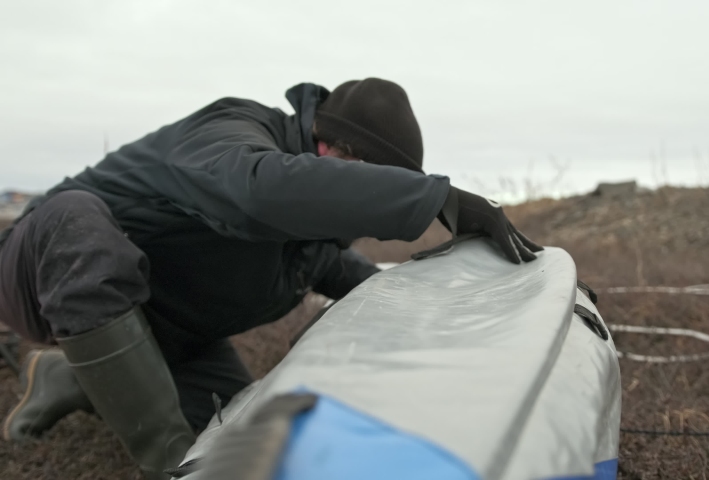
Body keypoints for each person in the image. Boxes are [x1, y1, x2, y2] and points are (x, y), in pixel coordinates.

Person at [0, 78, 540, 479]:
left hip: (170, 330)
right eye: (370, 181)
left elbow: (341, 272)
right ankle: (167, 466)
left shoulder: (310, 240)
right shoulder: (234, 132)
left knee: (242, 432)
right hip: (40, 273)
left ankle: (70, 378)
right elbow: (256, 190)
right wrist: (434, 199)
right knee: (76, 220)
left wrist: (457, 304)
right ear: (331, 151)